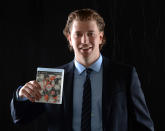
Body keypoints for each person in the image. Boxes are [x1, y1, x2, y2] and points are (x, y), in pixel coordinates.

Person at [10, 8, 154, 131]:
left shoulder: (124, 76)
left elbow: (144, 126)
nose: (85, 41)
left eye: (91, 33)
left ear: (101, 37)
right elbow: (21, 119)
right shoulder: (53, 79)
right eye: (78, 34)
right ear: (69, 39)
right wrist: (21, 96)